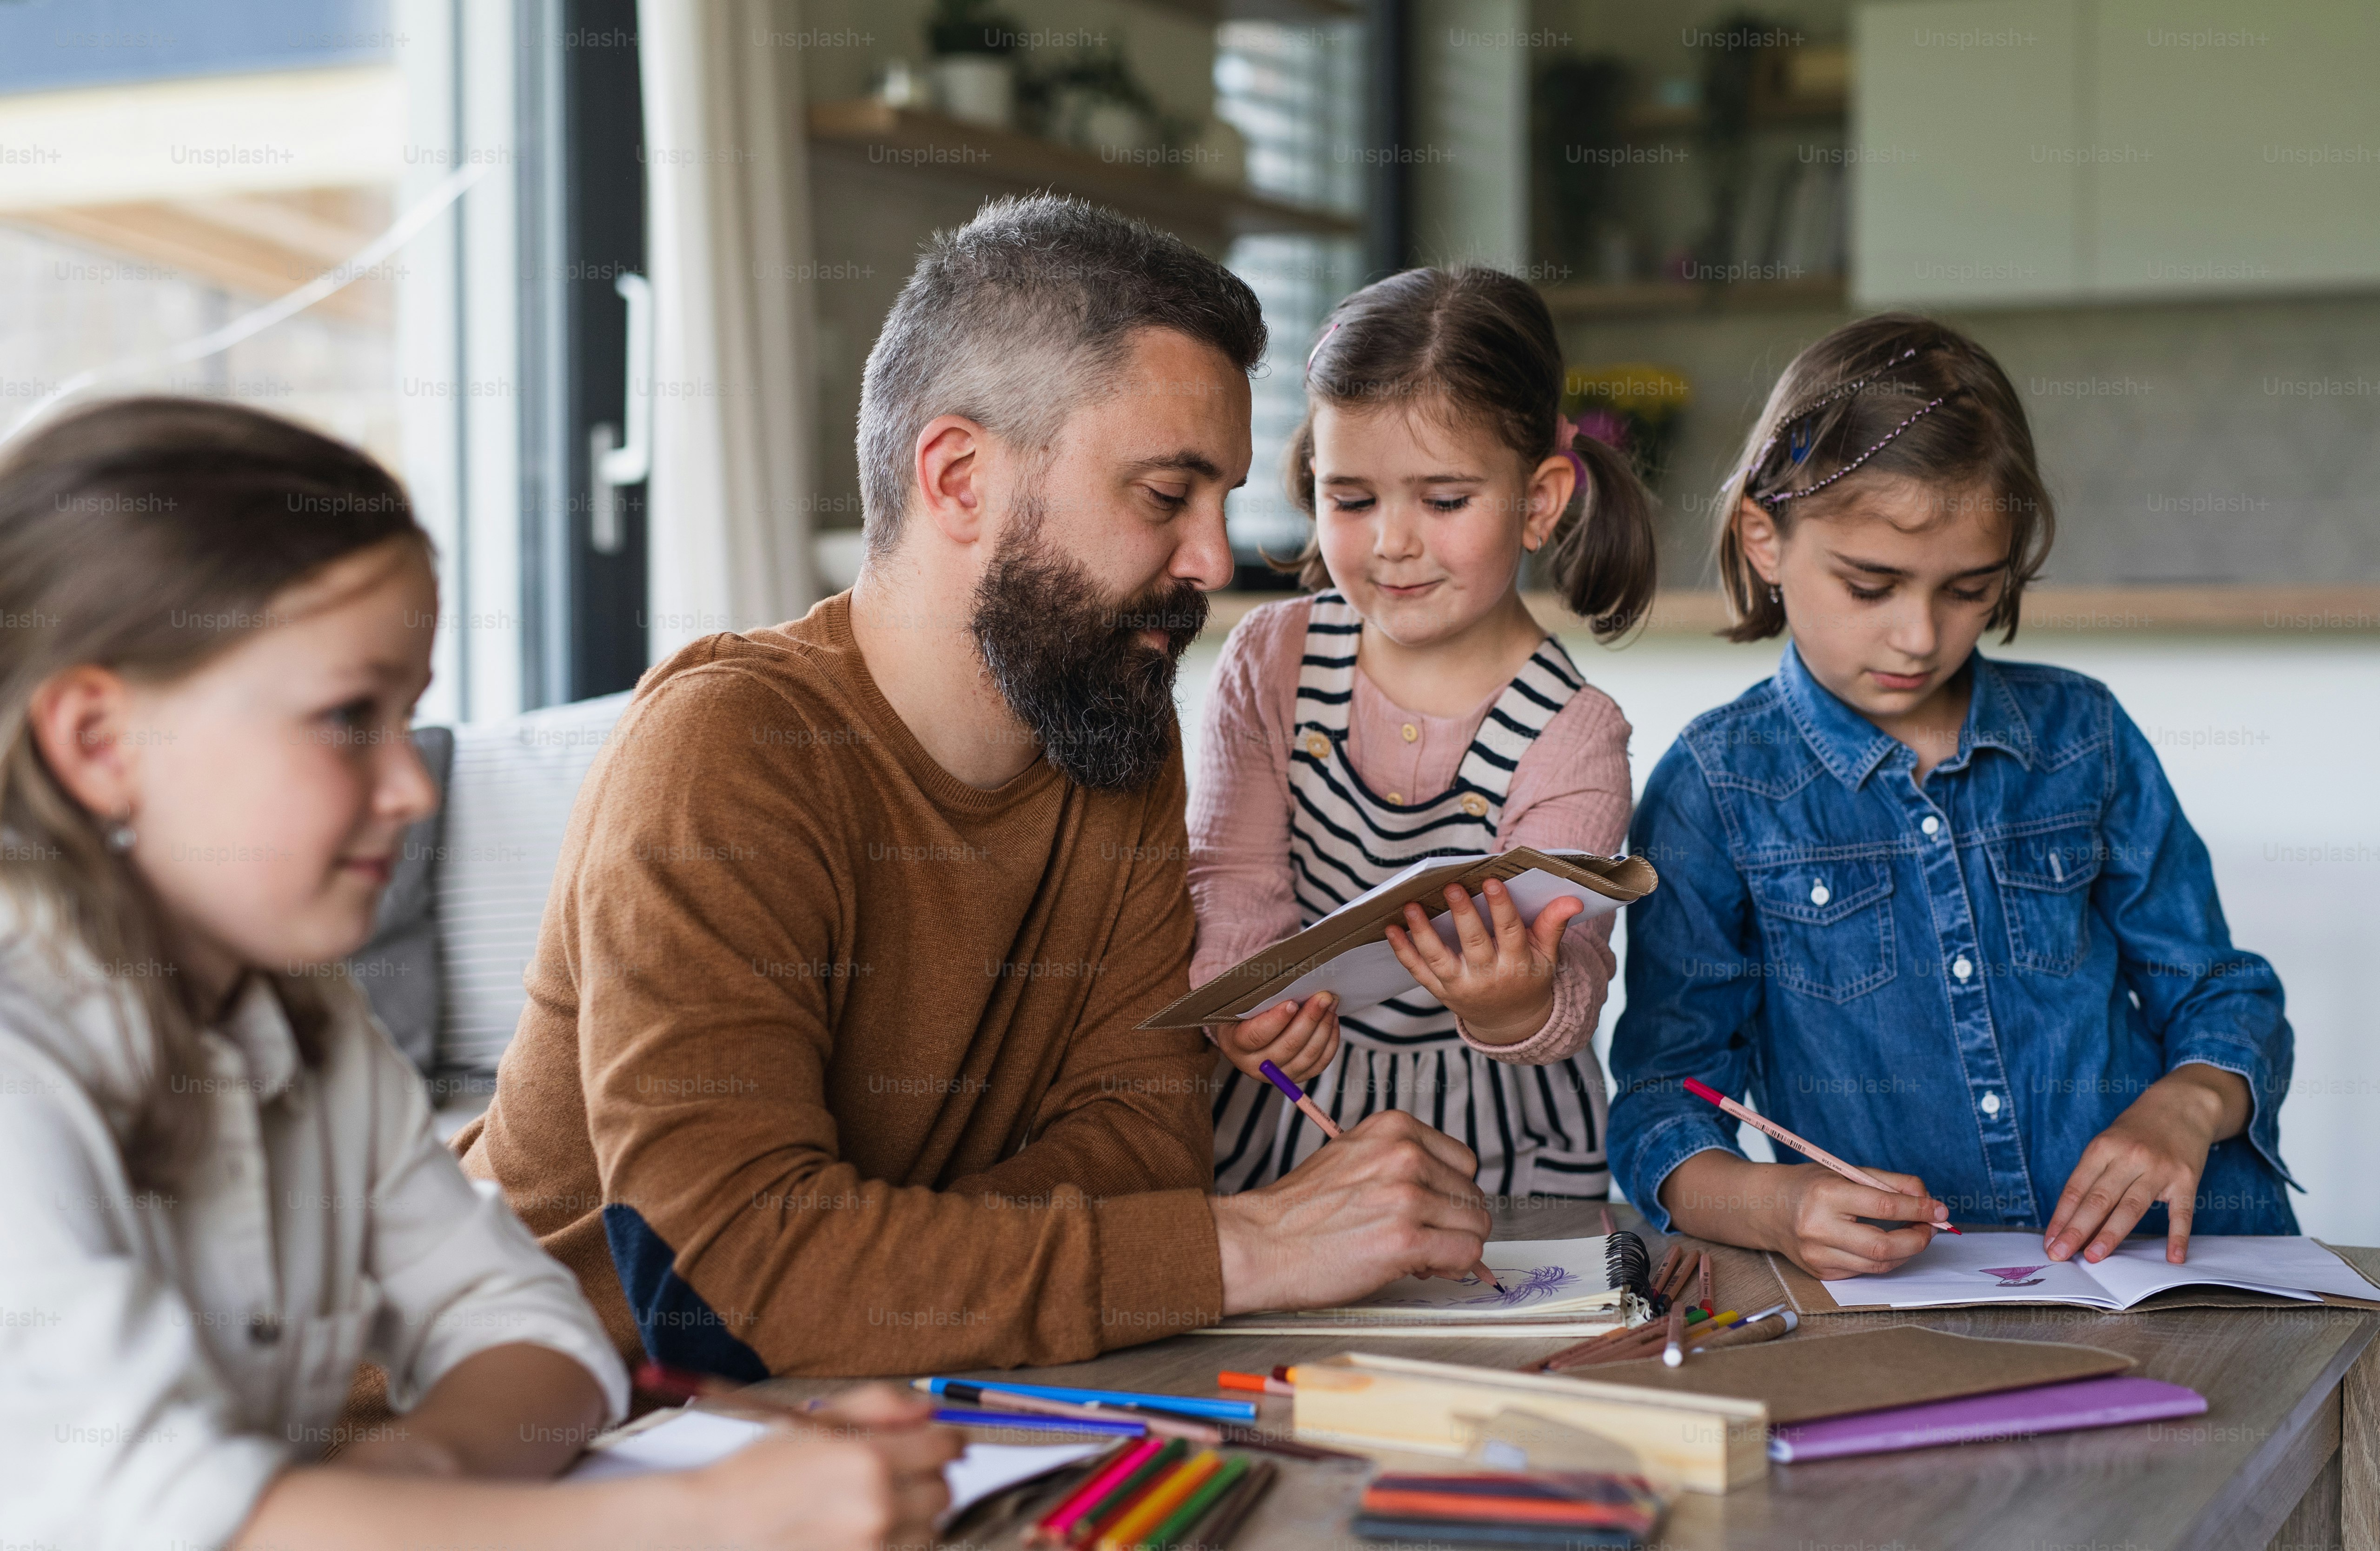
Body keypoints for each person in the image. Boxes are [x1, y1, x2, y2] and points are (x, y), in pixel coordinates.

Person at [458, 194, 1495, 1380]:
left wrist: (870, 1254)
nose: (1212, 562)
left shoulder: (1111, 726)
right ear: (957, 477)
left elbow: (1145, 1148)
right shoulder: (727, 753)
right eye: (1165, 496)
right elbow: (726, 1280)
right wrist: (1253, 1246)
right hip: (512, 1439)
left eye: (1220, 505)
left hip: (855, 1410)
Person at [0, 399, 959, 1551]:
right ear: (101, 743)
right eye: (349, 715)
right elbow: (159, 1516)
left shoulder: (308, 1020)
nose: (413, 788)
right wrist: (702, 1516)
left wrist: (416, 1483)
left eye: (410, 715)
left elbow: (528, 1327)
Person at [1607, 313, 2297, 1281]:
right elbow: (1663, 1097)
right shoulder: (1716, 789)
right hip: (1917, 1296)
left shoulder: (2083, 735)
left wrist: (2187, 1103)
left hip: (2185, 1263)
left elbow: (2219, 990)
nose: (1919, 637)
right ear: (1765, 538)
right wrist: (1772, 1207)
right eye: (1871, 585)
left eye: (1968, 590)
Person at [1188, 268, 1656, 1199]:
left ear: (1539, 501)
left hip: (1504, 1153)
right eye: (1352, 499)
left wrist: (1513, 998)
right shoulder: (1269, 659)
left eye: (1443, 503)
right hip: (1291, 1122)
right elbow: (1230, 877)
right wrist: (1243, 1003)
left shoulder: (1575, 732)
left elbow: (1572, 984)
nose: (1391, 543)